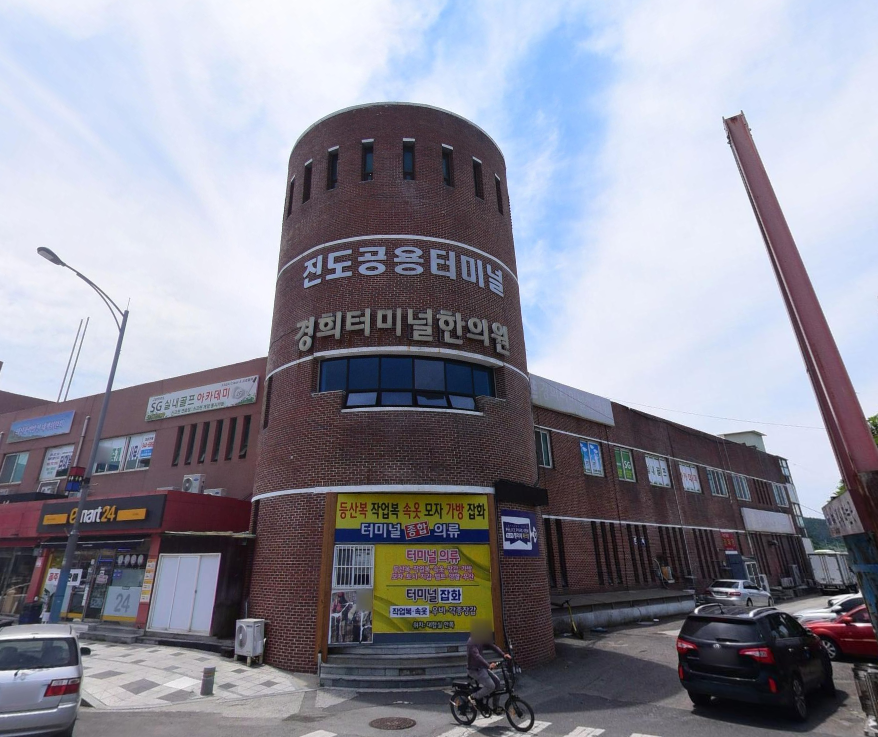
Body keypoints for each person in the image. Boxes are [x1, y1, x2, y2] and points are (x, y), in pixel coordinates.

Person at [466, 621, 511, 713]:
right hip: (474, 670)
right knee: (491, 686)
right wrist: (488, 665)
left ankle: (495, 707)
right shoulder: (471, 642)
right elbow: (477, 656)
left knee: (497, 682)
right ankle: (473, 697)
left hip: (482, 668)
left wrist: (503, 654)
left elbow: (492, 646)